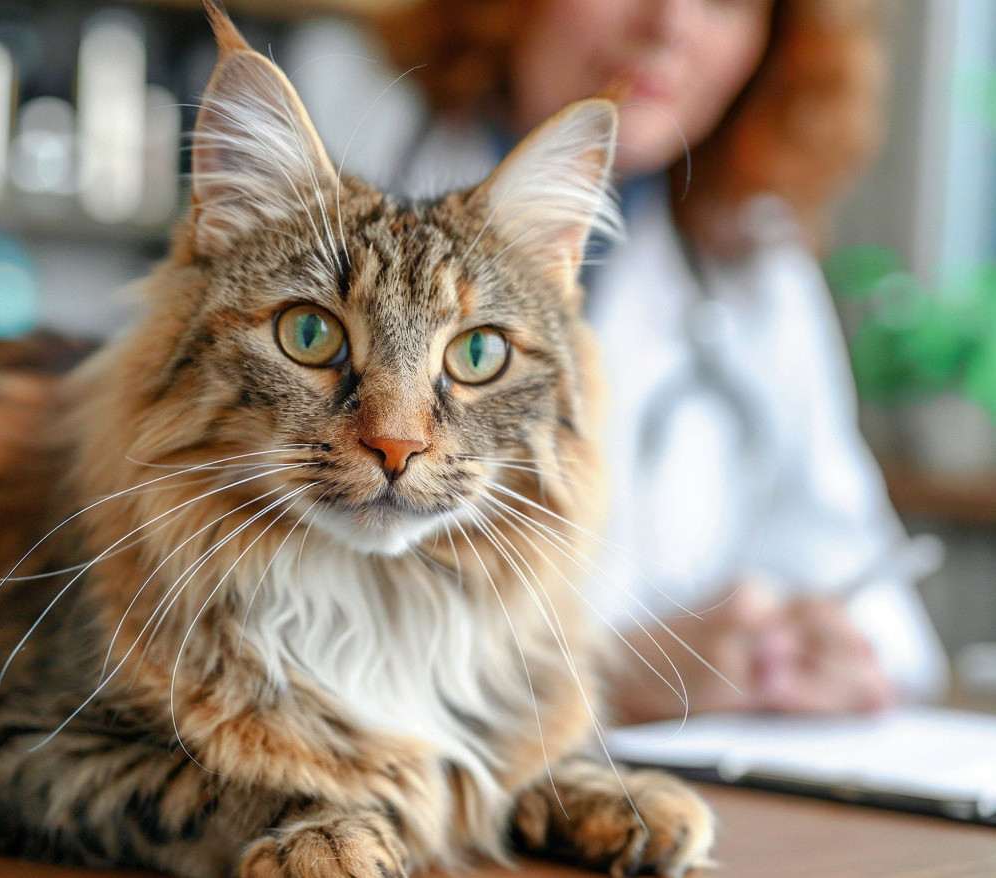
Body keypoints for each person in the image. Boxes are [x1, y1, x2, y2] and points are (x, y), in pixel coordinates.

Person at [356, 0, 950, 722]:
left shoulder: (754, 272)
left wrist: (822, 654)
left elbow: (877, 603)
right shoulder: (327, 226)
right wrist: (604, 677)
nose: (670, 24)